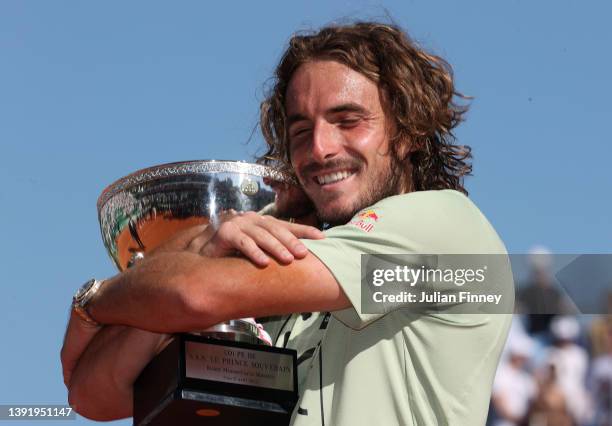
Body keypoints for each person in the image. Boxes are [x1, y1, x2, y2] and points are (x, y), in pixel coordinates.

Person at [61, 21, 514, 425]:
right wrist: (196, 249)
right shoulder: (282, 244)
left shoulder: (442, 225)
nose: (319, 149)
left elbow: (194, 293)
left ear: (409, 130)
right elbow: (93, 396)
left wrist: (98, 301)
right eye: (301, 130)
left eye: (348, 121)